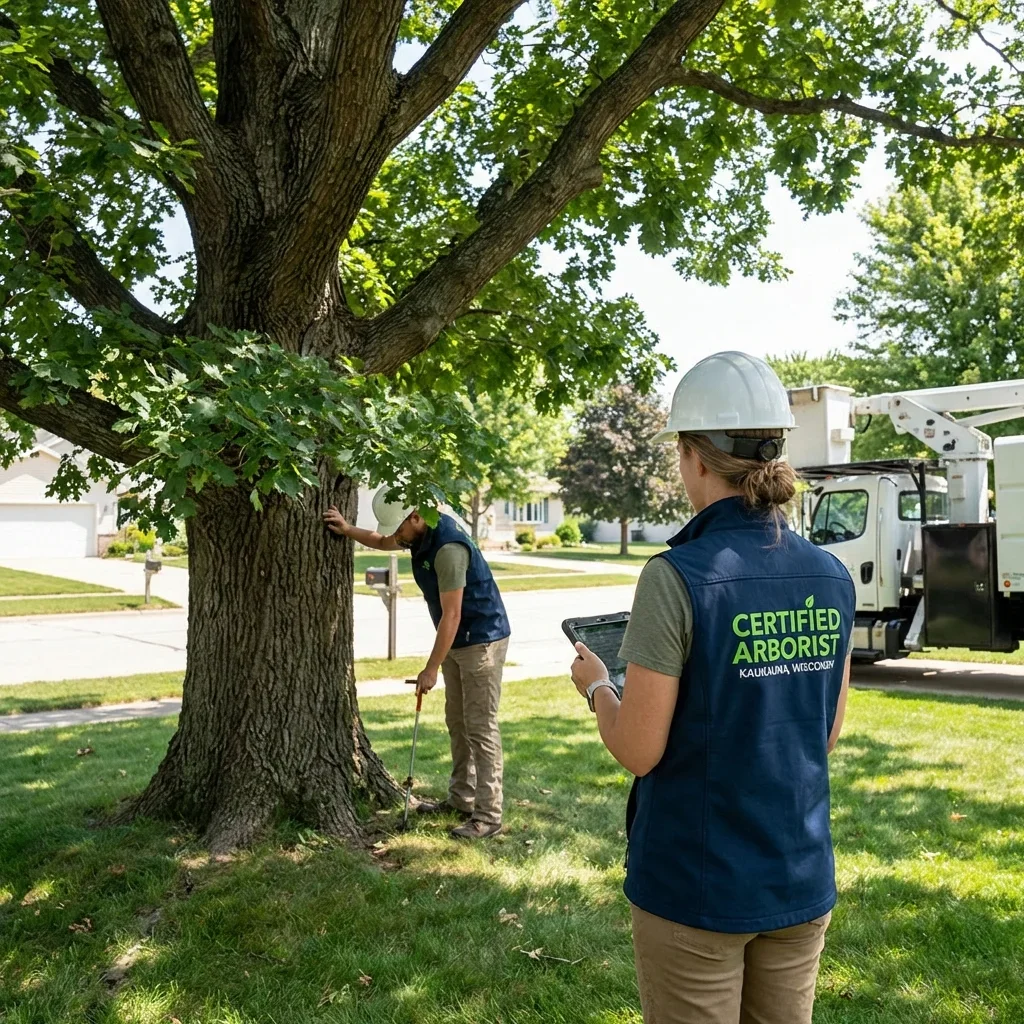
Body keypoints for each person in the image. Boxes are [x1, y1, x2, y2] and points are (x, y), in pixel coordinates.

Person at [569, 351, 855, 1024]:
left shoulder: (676, 576)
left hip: (698, 886)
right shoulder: (831, 575)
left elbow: (639, 748)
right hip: (798, 875)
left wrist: (595, 686)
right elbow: (828, 731)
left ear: (694, 456)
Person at [324, 487, 510, 839]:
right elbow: (381, 541)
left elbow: (452, 616)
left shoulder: (449, 550)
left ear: (415, 517)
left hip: (481, 640)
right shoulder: (417, 534)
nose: (396, 537)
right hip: (456, 639)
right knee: (457, 721)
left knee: (480, 727)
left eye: (399, 529)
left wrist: (430, 668)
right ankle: (461, 799)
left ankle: (488, 815)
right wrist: (348, 529)